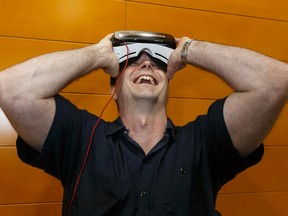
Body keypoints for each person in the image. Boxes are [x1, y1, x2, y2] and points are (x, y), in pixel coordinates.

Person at [0, 32, 287, 216]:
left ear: (168, 81)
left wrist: (189, 49)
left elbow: (274, 83)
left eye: (157, 63)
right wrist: (98, 55)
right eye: (133, 62)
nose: (147, 64)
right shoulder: (80, 137)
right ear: (113, 89)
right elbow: (10, 89)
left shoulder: (205, 142)